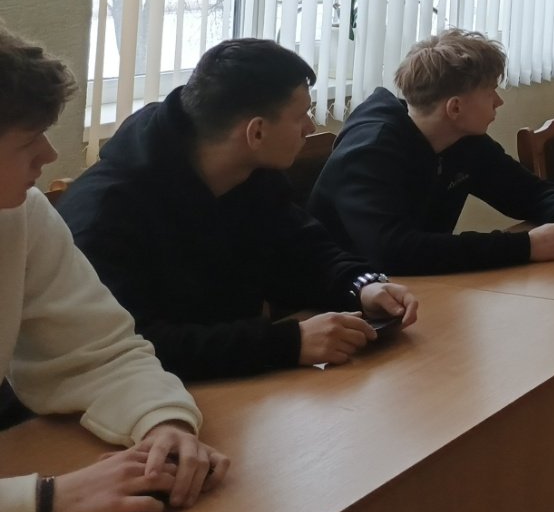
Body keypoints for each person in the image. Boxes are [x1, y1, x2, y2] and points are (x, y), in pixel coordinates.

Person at [61, 39, 420, 381]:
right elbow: (131, 345)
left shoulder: (252, 171)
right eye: (302, 116)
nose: (309, 127)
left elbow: (305, 252)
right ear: (256, 133)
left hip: (237, 386)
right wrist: (286, 343)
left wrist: (361, 286)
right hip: (141, 402)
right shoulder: (105, 213)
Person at [0, 23, 228, 512]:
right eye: (28, 140)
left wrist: (162, 422)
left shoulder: (21, 214)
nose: (49, 155)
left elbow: (98, 351)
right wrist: (43, 500)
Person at [310, 31, 554, 275]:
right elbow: (394, 251)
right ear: (455, 108)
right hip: (343, 299)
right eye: (490, 92)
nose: (498, 102)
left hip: (414, 287)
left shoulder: (464, 140)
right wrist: (527, 246)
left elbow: (533, 192)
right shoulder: (370, 151)